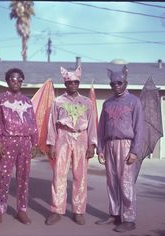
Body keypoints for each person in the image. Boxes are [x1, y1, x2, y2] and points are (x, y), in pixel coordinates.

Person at [45, 65, 97, 225]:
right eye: (69, 82)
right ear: (65, 83)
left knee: (80, 176)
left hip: (81, 137)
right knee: (59, 175)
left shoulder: (87, 102)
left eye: (75, 82)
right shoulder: (57, 102)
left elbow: (92, 124)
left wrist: (92, 144)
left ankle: (79, 211)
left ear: (78, 83)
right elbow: (51, 124)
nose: (72, 85)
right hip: (63, 136)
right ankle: (57, 210)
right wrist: (51, 145)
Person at [0, 68, 38, 229]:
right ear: (7, 81)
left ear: (22, 81)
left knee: (24, 177)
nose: (16, 82)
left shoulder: (27, 102)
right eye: (12, 79)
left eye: (19, 80)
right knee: (3, 177)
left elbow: (33, 123)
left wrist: (34, 142)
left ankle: (21, 210)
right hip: (8, 141)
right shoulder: (0, 100)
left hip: (25, 143)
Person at [95, 65, 143, 233]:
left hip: (126, 145)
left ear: (125, 83)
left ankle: (129, 218)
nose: (116, 86)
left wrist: (135, 151)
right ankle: (114, 214)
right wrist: (100, 149)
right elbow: (101, 127)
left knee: (126, 182)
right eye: (112, 84)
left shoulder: (134, 102)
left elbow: (139, 128)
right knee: (112, 181)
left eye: (119, 83)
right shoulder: (107, 103)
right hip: (109, 145)